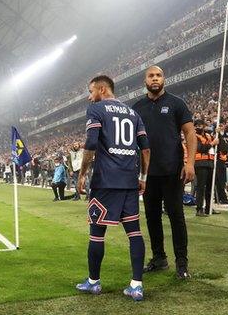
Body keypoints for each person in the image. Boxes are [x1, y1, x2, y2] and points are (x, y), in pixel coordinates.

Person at [75, 75, 150, 301]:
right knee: (134, 233)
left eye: (91, 91)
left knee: (97, 235)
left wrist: (82, 174)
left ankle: (94, 282)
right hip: (129, 182)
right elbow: (145, 149)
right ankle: (136, 286)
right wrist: (143, 177)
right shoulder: (134, 114)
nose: (90, 97)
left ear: (101, 88)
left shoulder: (97, 110)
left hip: (106, 182)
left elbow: (91, 143)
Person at [132, 65, 197, 279]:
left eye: (158, 75)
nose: (155, 78)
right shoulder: (137, 107)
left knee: (176, 216)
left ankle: (182, 263)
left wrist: (189, 163)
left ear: (164, 79)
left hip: (172, 170)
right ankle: (159, 258)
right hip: (148, 173)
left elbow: (190, 133)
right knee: (151, 217)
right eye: (151, 75)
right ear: (145, 81)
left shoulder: (176, 103)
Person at [194, 119, 218, 217]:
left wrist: (218, 133)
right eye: (197, 125)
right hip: (200, 164)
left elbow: (216, 144)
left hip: (210, 163)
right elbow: (200, 148)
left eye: (201, 125)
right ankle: (199, 209)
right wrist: (212, 144)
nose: (199, 127)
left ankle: (208, 208)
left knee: (210, 187)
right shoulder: (194, 136)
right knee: (201, 187)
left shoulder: (208, 135)